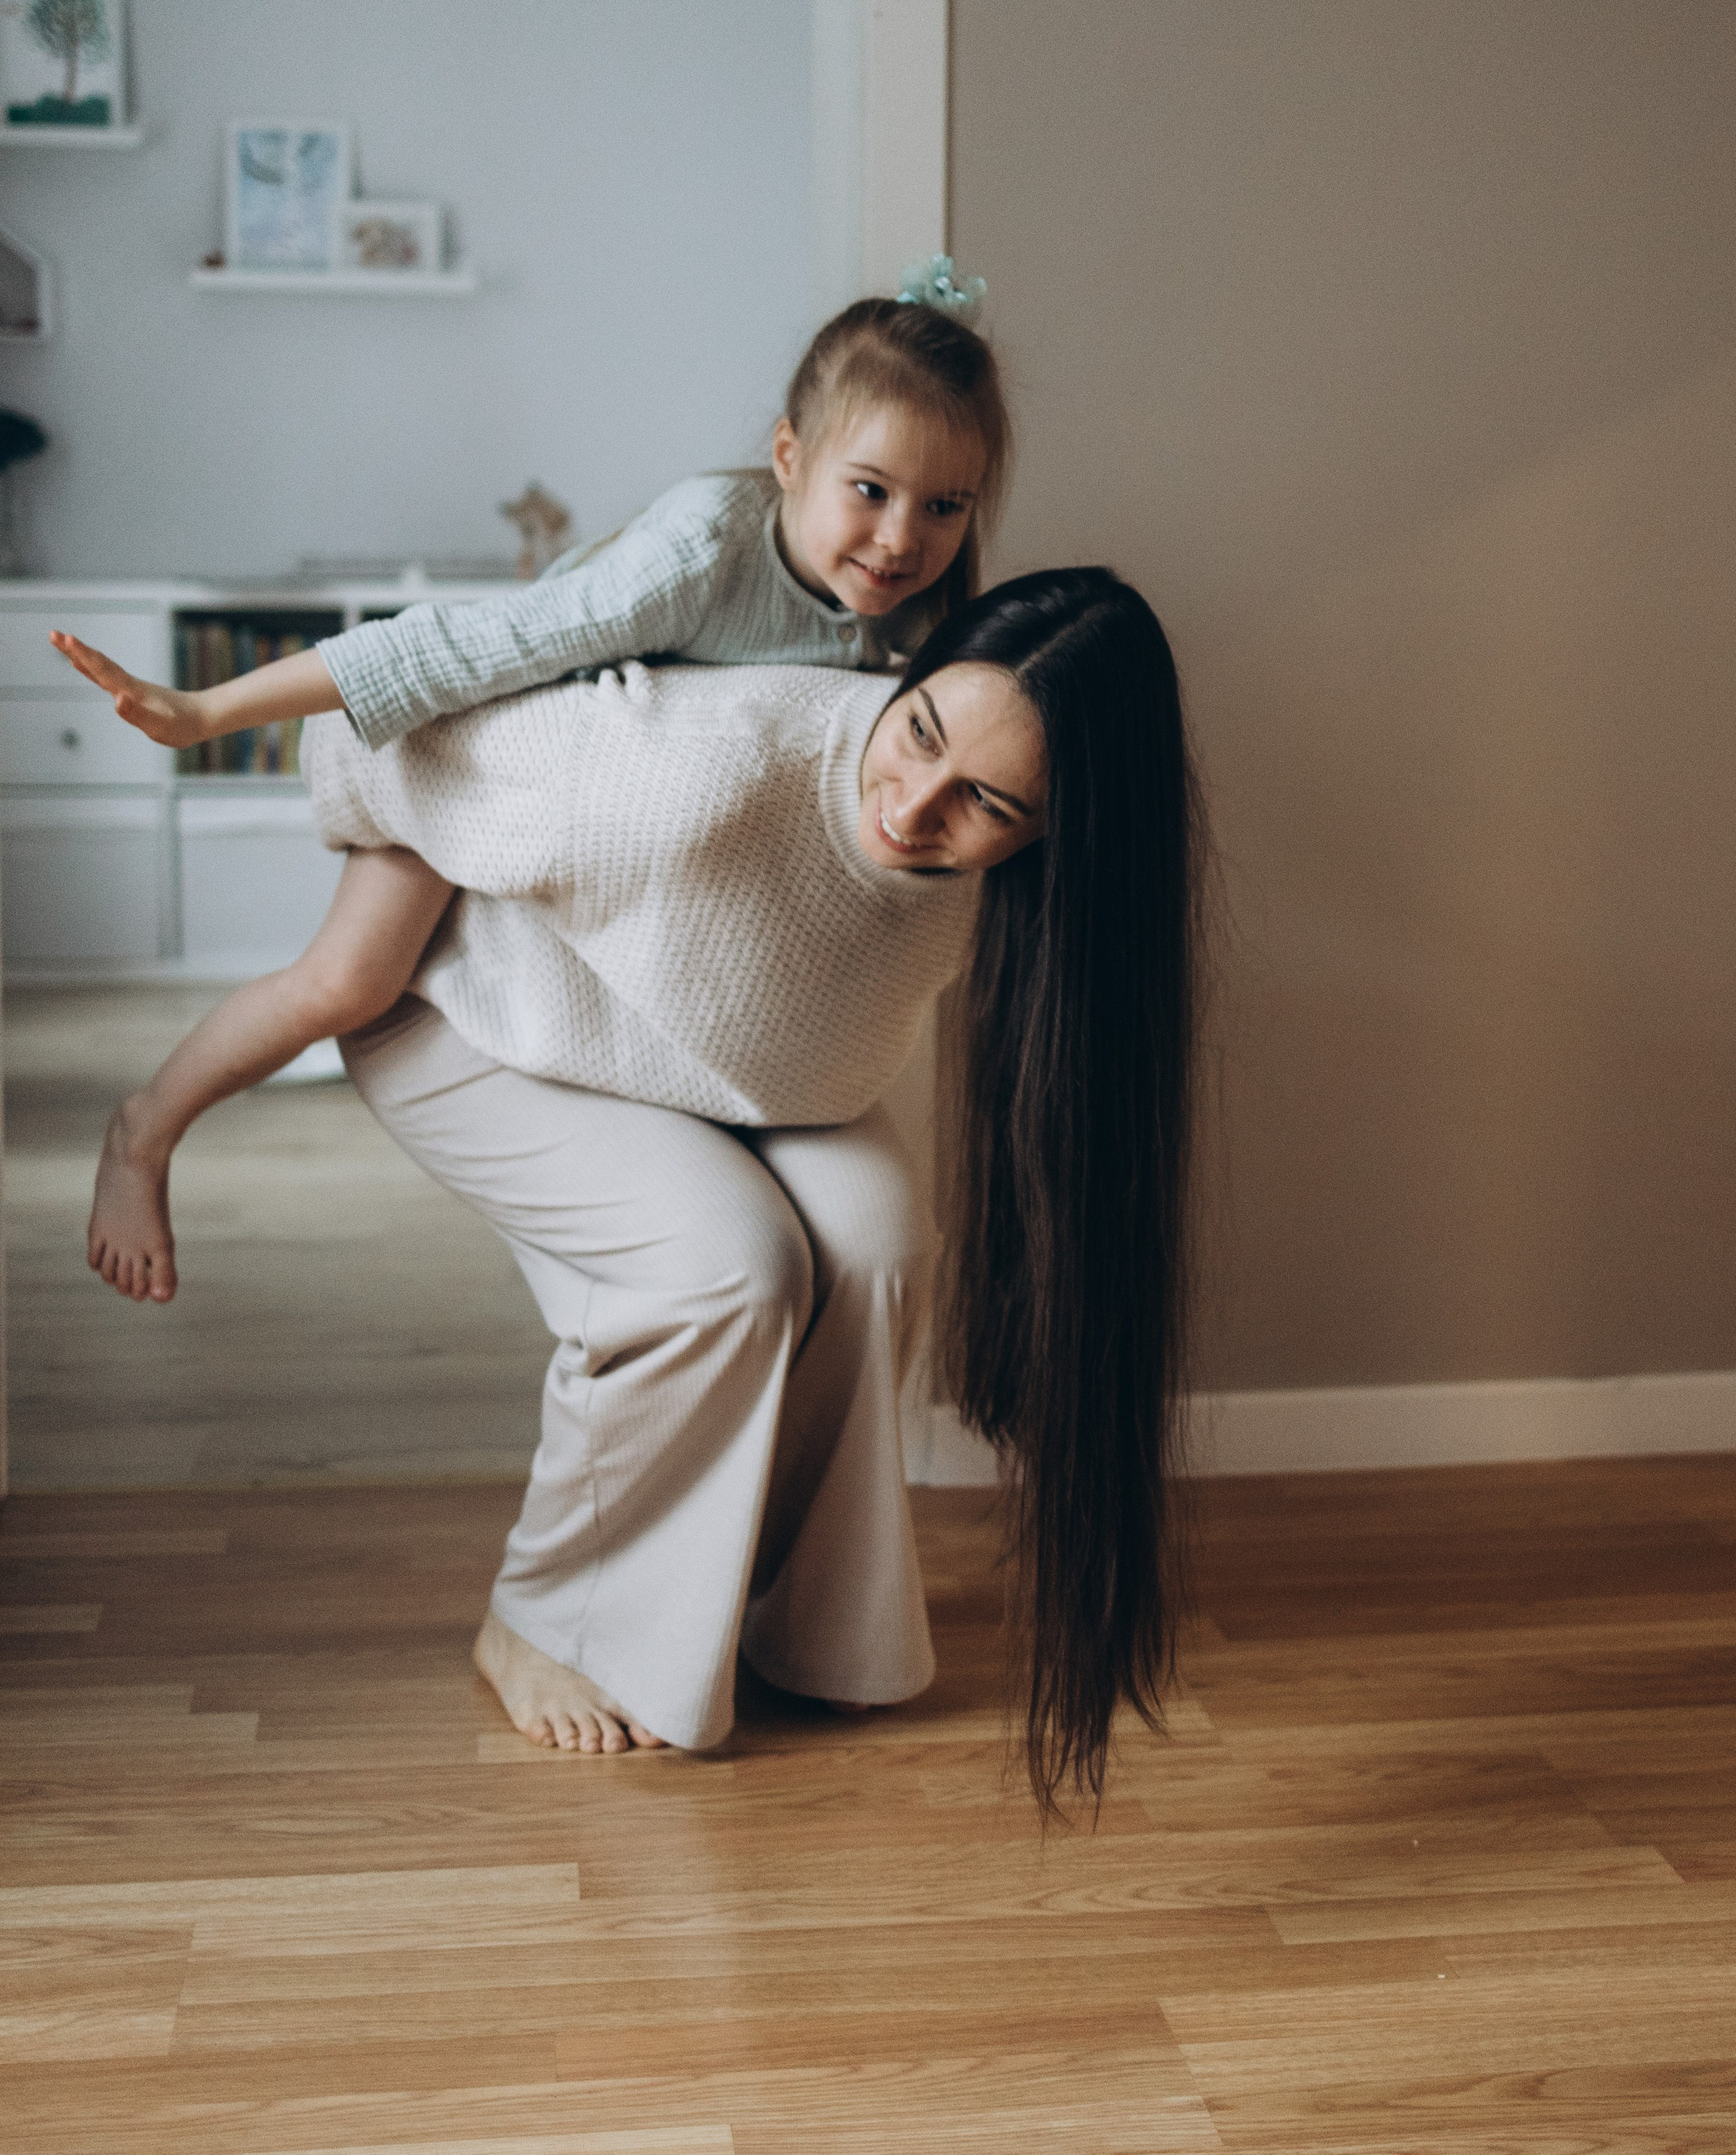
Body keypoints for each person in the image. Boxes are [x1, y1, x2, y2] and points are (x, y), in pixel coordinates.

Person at [184, 566, 1200, 1811]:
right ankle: (543, 1615)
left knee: (879, 1241)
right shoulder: (697, 761)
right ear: (909, 677)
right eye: (922, 733)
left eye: (984, 803)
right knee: (729, 1267)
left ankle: (804, 1617)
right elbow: (387, 737)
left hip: (698, 1068)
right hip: (480, 1012)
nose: (914, 808)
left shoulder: (1032, 899)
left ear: (1056, 835)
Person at [50, 267, 1013, 1301]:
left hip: (590, 812)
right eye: (869, 490)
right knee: (345, 985)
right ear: (789, 457)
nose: (903, 536)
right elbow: (462, 646)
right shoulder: (700, 551)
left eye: (944, 506)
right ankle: (145, 1128)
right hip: (468, 746)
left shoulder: (918, 616)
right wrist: (206, 713)